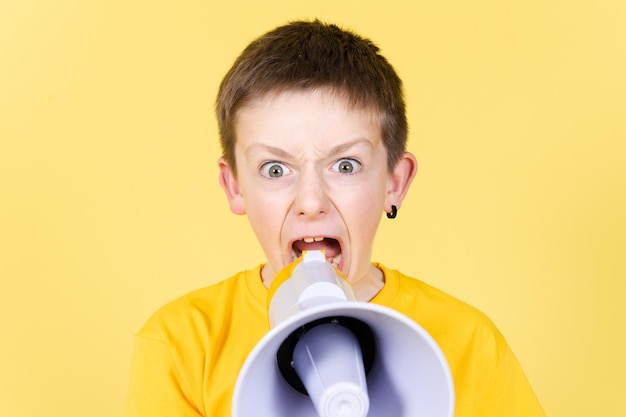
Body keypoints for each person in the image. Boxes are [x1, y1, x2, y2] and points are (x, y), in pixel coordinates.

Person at [124, 20, 546, 417]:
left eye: (346, 166)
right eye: (275, 169)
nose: (311, 202)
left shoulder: (469, 344)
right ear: (234, 186)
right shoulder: (182, 343)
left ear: (394, 182)